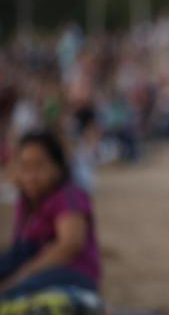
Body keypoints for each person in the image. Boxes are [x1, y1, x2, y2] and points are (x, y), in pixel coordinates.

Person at [0, 129, 101, 301]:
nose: (31, 176)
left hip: (72, 274)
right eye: (24, 167)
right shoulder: (25, 202)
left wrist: (23, 275)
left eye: (39, 166)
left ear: (58, 167)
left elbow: (70, 246)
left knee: (18, 294)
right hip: (35, 268)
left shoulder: (69, 197)